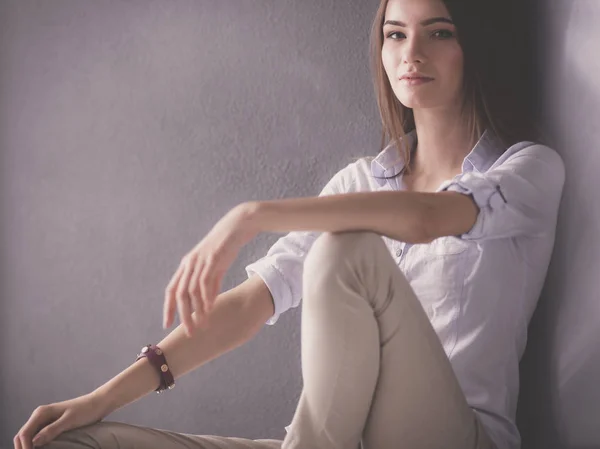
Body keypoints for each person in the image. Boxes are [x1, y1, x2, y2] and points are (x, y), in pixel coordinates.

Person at [13, 0, 565, 448]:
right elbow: (249, 304)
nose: (411, 53)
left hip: (456, 436)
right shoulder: (358, 182)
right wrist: (97, 400)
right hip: (333, 438)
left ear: (475, 45)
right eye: (395, 34)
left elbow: (427, 218)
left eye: (438, 33)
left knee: (342, 252)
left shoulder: (528, 171)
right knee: (76, 442)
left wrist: (251, 215)